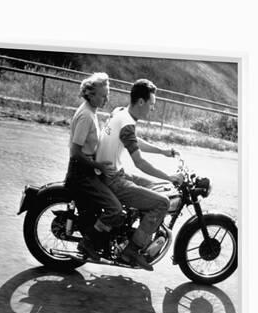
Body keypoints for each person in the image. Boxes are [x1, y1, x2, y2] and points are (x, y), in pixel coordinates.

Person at [95, 78, 183, 271]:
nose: (153, 109)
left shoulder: (120, 112)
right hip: (113, 180)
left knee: (157, 188)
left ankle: (137, 232)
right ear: (141, 102)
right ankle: (132, 250)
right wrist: (170, 177)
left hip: (113, 173)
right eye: (152, 104)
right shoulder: (126, 122)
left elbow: (133, 139)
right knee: (162, 202)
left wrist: (162, 151)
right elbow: (140, 162)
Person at [64, 72, 124, 260]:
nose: (106, 99)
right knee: (115, 209)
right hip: (82, 174)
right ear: (90, 94)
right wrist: (99, 165)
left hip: (88, 170)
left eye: (108, 94)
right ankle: (88, 243)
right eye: (102, 95)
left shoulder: (91, 111)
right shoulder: (86, 116)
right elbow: (75, 152)